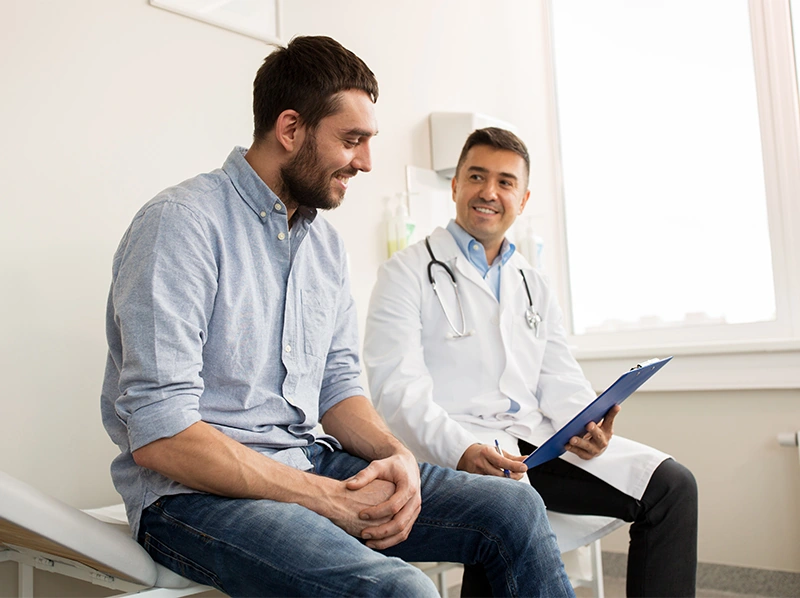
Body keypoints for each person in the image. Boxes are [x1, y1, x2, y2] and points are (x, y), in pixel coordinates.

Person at [100, 37, 575, 598]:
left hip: (307, 461)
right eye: (352, 141)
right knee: (404, 590)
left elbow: (338, 389)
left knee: (514, 507)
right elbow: (163, 436)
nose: (367, 162)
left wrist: (397, 456)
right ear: (291, 128)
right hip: (192, 497)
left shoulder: (323, 247)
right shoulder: (181, 225)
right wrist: (323, 497)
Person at [364, 127, 699, 597]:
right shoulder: (405, 274)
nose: (489, 192)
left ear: (522, 199)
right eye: (477, 176)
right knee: (504, 512)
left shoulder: (532, 283)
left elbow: (559, 376)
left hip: (537, 444)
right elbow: (396, 392)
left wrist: (588, 423)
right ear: (456, 185)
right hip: (455, 448)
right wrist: (460, 449)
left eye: (505, 182)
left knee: (672, 486)